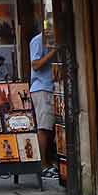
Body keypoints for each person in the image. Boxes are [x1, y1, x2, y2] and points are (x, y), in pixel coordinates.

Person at [29, 19, 59, 179]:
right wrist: (53, 52)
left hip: (50, 87)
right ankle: (43, 165)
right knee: (44, 128)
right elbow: (35, 64)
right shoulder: (37, 41)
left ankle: (49, 162)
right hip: (42, 88)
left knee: (50, 128)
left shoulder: (51, 40)